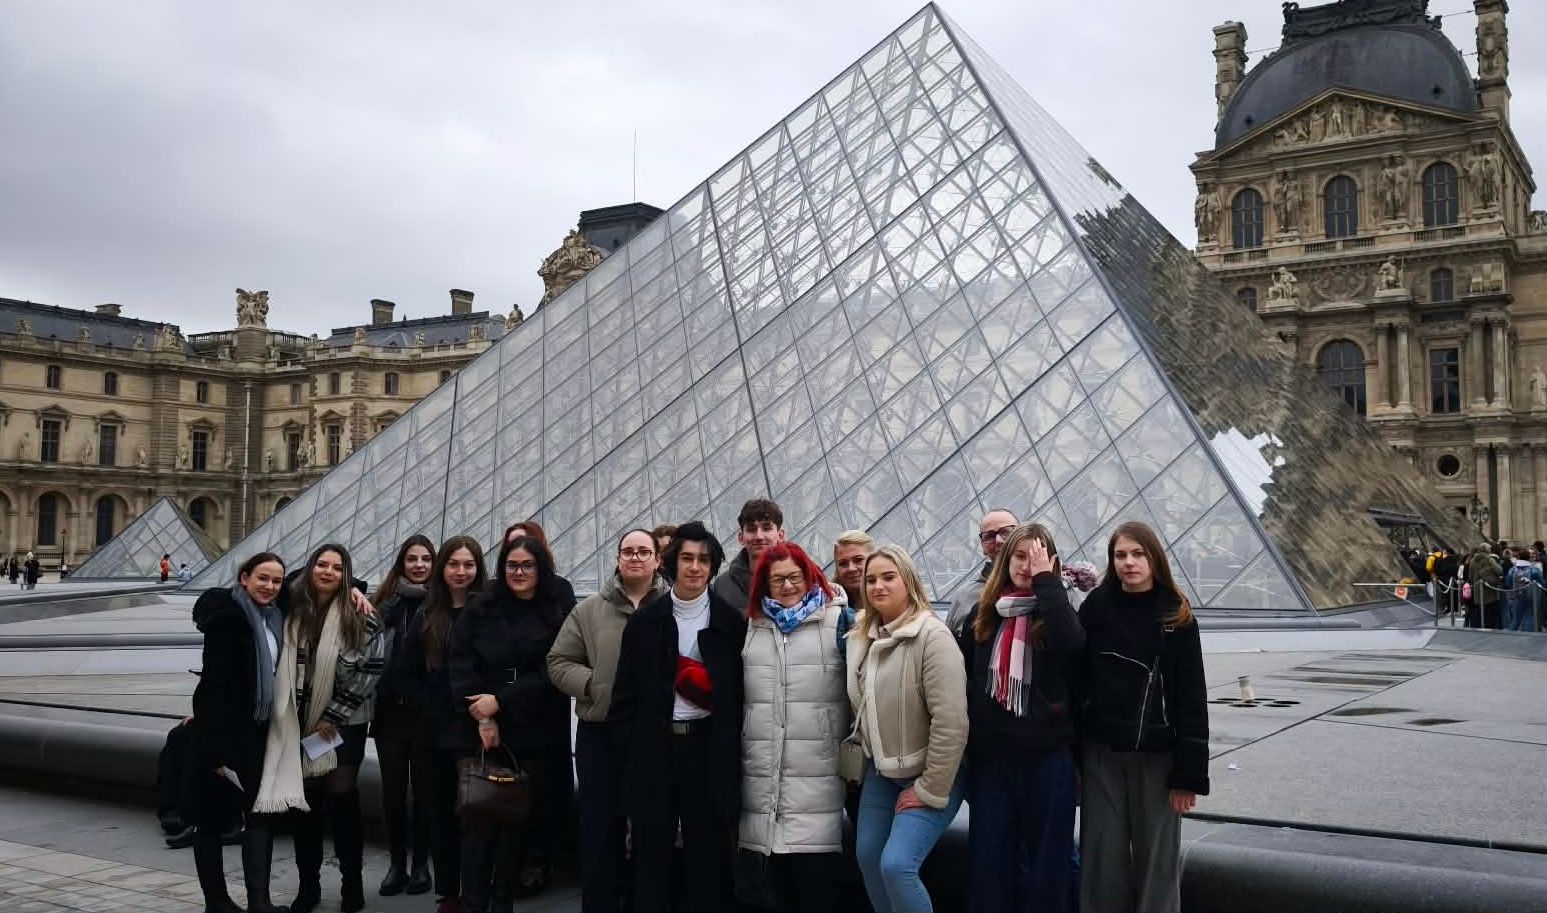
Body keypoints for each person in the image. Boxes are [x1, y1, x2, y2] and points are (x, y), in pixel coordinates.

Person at [610, 521, 746, 912]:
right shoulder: (646, 622)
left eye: (704, 559)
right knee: (652, 855)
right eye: (687, 557)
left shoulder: (729, 623)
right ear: (672, 562)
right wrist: (633, 752)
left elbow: (738, 697)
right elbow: (626, 696)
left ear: (713, 565)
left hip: (707, 749)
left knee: (708, 853)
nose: (695, 567)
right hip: (657, 750)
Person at [1075, 521, 1209, 913]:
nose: (1129, 563)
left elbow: (1191, 697)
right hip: (1102, 754)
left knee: (1157, 864)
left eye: (1138, 554)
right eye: (1120, 555)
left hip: (1159, 758)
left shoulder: (1176, 614)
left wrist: (1188, 775)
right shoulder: (1096, 607)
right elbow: (1077, 682)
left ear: (1154, 558)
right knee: (1101, 861)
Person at [253, 543, 385, 913]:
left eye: (338, 568)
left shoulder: (362, 615)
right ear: (310, 569)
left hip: (344, 725)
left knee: (343, 799)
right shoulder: (289, 608)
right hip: (300, 720)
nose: (328, 572)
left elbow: (370, 672)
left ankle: (351, 884)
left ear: (347, 575)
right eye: (322, 565)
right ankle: (308, 885)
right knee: (305, 805)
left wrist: (334, 718)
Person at [960, 524, 1083, 912]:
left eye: (1038, 556)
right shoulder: (983, 618)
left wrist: (1048, 583)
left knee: (1051, 866)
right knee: (989, 864)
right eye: (1020, 556)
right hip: (994, 762)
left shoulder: (1059, 613)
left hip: (1048, 759)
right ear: (1004, 561)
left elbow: (1073, 643)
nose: (1027, 565)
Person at [451, 535, 576, 911]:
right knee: (479, 819)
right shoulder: (481, 606)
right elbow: (460, 661)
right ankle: (473, 900)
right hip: (482, 726)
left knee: (516, 820)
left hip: (535, 726)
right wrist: (485, 715)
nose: (519, 572)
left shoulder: (556, 607)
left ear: (541, 569)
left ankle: (502, 898)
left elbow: (552, 668)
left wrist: (500, 700)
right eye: (511, 565)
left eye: (527, 566)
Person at [547, 528, 668, 912]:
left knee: (650, 830)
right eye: (627, 551)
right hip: (600, 733)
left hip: (656, 737)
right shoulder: (588, 610)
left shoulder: (676, 606)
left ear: (656, 560)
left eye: (643, 551)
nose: (635, 557)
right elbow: (558, 661)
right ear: (617, 558)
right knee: (599, 831)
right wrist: (595, 686)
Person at [848, 545, 967, 913]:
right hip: (883, 772)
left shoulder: (933, 637)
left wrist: (930, 788)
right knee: (868, 857)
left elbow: (952, 722)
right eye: (871, 580)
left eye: (888, 577)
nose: (878, 586)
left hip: (932, 771)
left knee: (897, 866)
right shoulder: (861, 637)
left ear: (909, 581)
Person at [737, 542, 850, 912]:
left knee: (817, 885)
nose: (786, 586)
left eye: (794, 577)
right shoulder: (752, 626)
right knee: (777, 888)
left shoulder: (840, 621)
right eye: (776, 580)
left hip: (817, 772)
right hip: (763, 775)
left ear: (810, 575)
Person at [184, 552, 289, 913]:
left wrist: (354, 591)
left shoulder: (274, 616)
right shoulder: (227, 619)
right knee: (210, 819)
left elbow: (321, 579)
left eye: (277, 580)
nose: (270, 586)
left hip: (257, 731)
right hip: (222, 733)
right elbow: (213, 686)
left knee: (259, 814)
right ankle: (217, 902)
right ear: (244, 578)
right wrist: (213, 751)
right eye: (262, 578)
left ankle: (259, 901)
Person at [402, 535, 487, 913]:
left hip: (477, 728)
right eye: (454, 564)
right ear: (443, 569)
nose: (461, 571)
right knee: (441, 816)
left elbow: (509, 667)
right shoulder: (425, 615)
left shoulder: (489, 612)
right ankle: (449, 893)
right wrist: (431, 703)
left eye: (469, 565)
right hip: (435, 732)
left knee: (476, 816)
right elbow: (404, 675)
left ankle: (475, 892)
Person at [371, 535, 436, 897]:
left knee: (425, 794)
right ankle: (397, 863)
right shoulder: (383, 604)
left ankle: (420, 865)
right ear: (401, 563)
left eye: (426, 559)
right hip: (390, 713)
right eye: (412, 559)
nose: (419, 565)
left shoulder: (441, 604)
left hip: (425, 714)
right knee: (392, 793)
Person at [946, 509, 1018, 635]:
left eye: (1006, 532)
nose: (999, 540)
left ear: (1020, 537)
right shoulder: (963, 597)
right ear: (983, 546)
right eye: (989, 536)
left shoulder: (1043, 589)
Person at [712, 498, 786, 611]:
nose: (759, 536)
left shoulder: (801, 580)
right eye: (751, 529)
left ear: (780, 536)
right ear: (741, 538)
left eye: (766, 528)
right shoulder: (722, 587)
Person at [505, 519, 578, 608]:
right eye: (510, 544)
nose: (516, 547)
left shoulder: (560, 589)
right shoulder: (492, 593)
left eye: (520, 541)